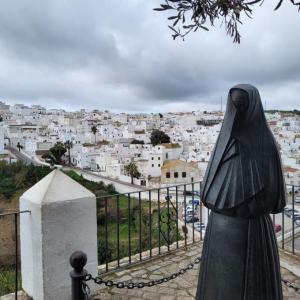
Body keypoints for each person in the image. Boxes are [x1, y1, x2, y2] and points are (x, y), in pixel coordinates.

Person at [196, 84, 286, 300]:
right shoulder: (223, 143)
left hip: (253, 232)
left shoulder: (266, 146)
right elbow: (208, 193)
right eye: (235, 106)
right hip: (220, 232)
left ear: (253, 106)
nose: (238, 112)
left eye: (242, 106)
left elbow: (276, 200)